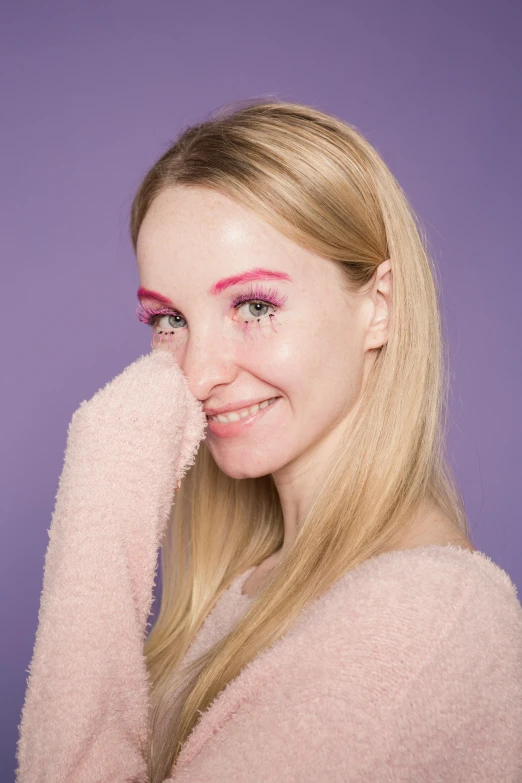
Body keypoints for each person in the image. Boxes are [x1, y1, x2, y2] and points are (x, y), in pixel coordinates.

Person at [16, 99, 522, 783]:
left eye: (254, 306)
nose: (196, 374)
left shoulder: (425, 615)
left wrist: (102, 493)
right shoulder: (256, 584)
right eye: (169, 319)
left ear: (379, 306)